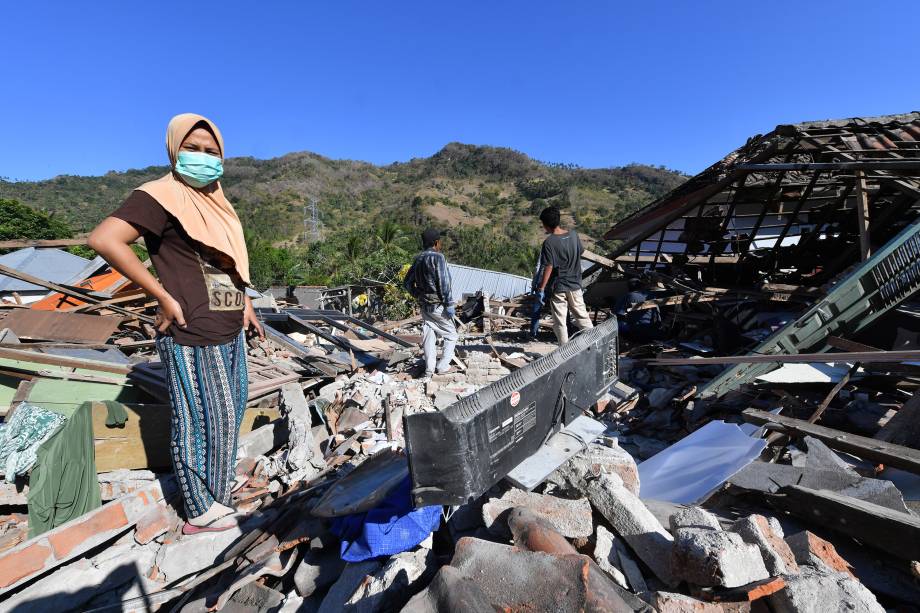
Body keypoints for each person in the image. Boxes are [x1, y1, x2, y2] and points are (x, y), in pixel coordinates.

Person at [88, 113, 264, 534]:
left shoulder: (215, 203)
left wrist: (245, 305)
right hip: (189, 329)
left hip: (227, 328)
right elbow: (104, 239)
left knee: (228, 412)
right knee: (198, 419)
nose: (203, 158)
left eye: (211, 151)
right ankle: (199, 509)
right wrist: (161, 294)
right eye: (193, 149)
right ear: (174, 151)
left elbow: (223, 263)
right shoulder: (159, 195)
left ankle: (218, 485)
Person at [534, 206, 594, 344]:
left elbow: (548, 266)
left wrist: (542, 288)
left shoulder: (549, 243)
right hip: (575, 285)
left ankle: (564, 350)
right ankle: (595, 342)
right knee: (582, 317)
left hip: (559, 287)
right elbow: (580, 253)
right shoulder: (573, 235)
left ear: (546, 225)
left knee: (560, 322)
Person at [403, 229, 458, 378]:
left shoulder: (418, 259)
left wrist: (418, 295)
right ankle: (443, 366)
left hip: (424, 305)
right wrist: (449, 304)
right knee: (452, 335)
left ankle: (429, 370)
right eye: (440, 242)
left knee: (429, 334)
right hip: (438, 305)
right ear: (436, 242)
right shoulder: (438, 258)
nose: (440, 244)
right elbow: (444, 283)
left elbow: (407, 283)